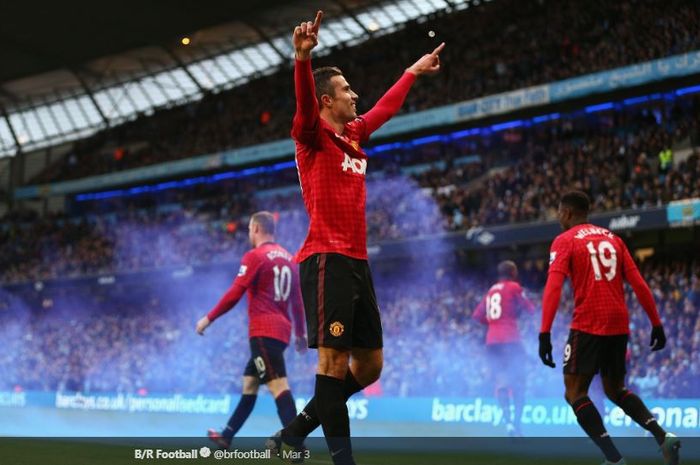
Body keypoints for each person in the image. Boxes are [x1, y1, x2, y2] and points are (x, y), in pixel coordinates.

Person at [266, 10, 444, 465]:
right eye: (346, 90)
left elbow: (384, 107)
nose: (356, 94)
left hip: (357, 262)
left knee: (369, 367)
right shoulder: (311, 135)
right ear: (328, 100)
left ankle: (293, 432)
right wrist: (302, 60)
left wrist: (411, 72)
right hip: (325, 258)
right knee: (331, 366)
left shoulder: (355, 133)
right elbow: (305, 105)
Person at [538, 191, 680, 465]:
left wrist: (545, 332)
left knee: (574, 392)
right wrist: (656, 323)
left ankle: (614, 459)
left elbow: (554, 286)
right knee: (615, 389)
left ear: (567, 213)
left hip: (589, 321)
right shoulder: (614, 239)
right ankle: (663, 437)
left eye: (558, 212)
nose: (558, 218)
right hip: (618, 322)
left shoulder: (564, 241)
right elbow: (638, 282)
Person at [196, 211, 306, 449]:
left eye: (248, 229)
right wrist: (300, 334)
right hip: (281, 332)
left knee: (278, 386)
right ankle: (227, 436)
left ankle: (296, 444)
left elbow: (235, 293)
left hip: (263, 332)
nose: (248, 233)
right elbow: (297, 302)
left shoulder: (255, 256)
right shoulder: (289, 259)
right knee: (250, 383)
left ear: (256, 229)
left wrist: (209, 318)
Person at [472, 260, 534, 436]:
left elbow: (476, 315)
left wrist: (492, 322)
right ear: (513, 272)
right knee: (520, 383)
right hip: (510, 339)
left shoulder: (491, 290)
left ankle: (508, 424)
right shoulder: (514, 287)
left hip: (492, 342)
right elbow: (530, 309)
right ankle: (517, 424)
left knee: (501, 382)